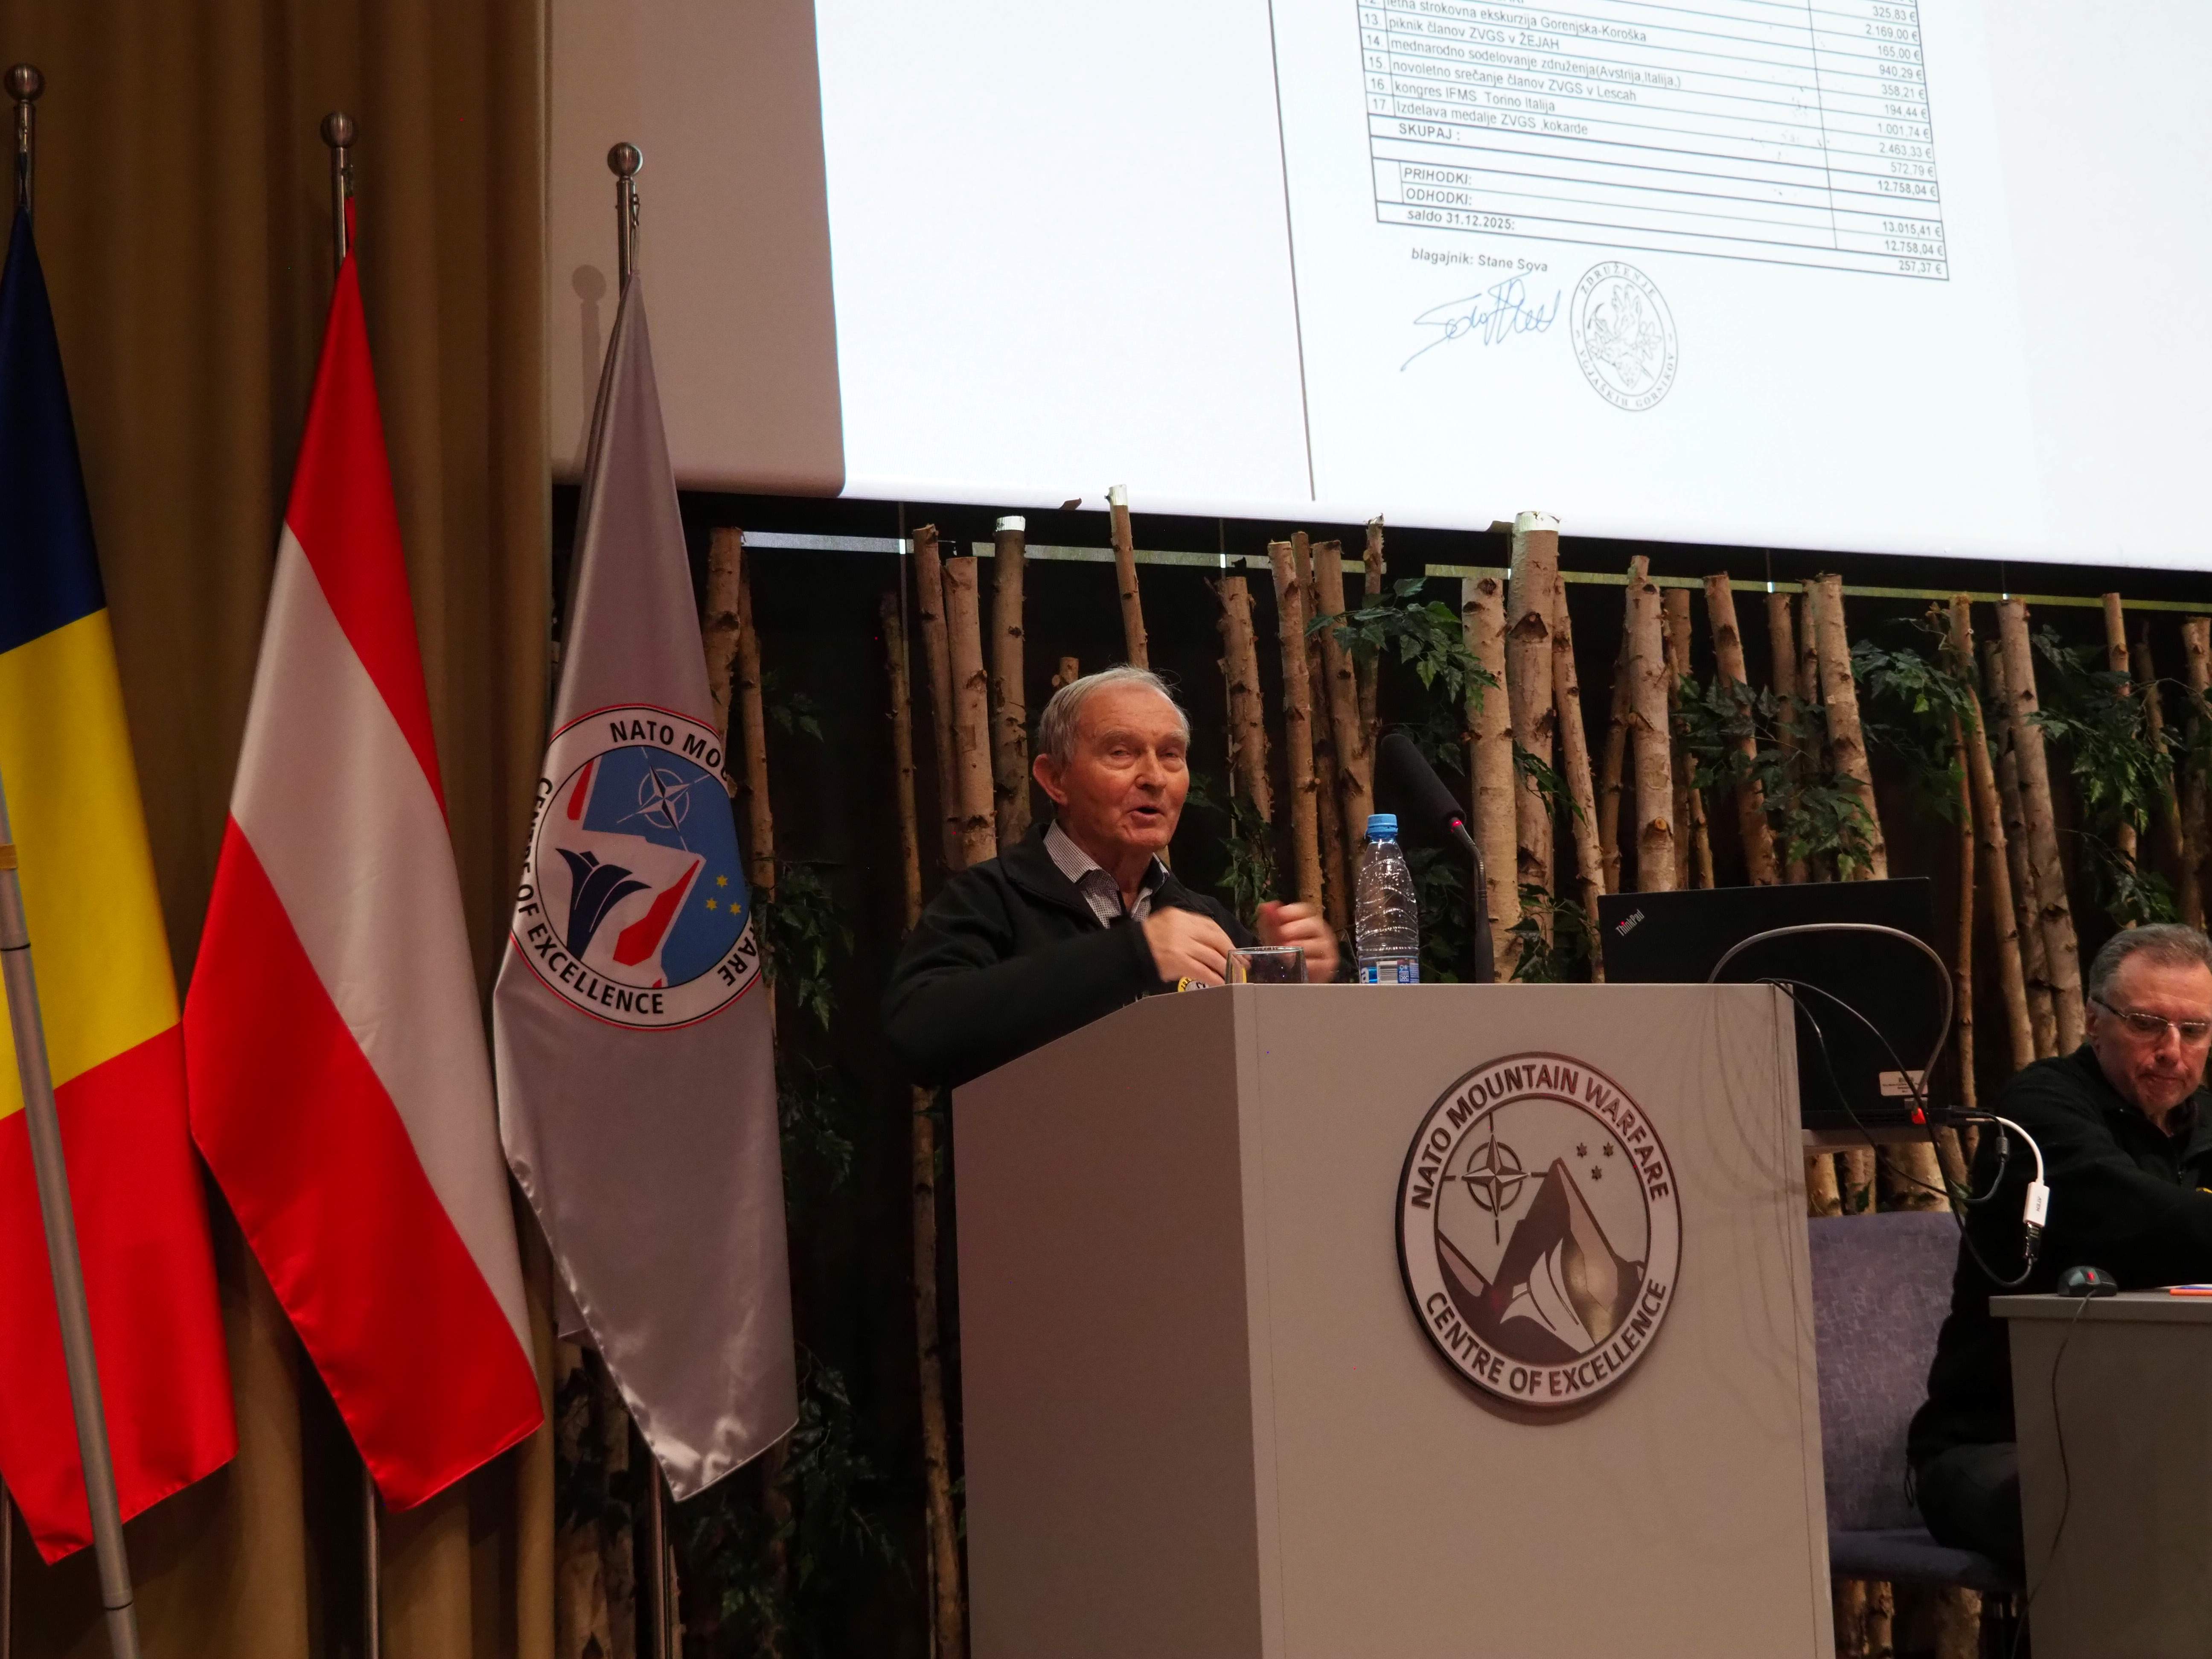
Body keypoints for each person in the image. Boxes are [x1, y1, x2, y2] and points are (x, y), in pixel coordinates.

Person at [1909, 922, 2212, 1578]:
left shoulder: (2205, 1122)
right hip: (1998, 1443)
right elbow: (2143, 1218)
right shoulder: (2039, 1109)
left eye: (2194, 1031)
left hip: (2166, 1438)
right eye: (2147, 1024)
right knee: (2130, 1510)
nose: (2172, 1051)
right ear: (2094, 1021)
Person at [883, 666, 1339, 1087]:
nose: (1154, 778)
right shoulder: (988, 898)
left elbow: (1275, 1066)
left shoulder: (1200, 917)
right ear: (1055, 779)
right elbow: (915, 1035)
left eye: (1171, 755)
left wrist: (1295, 985)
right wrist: (1132, 953)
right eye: (1121, 753)